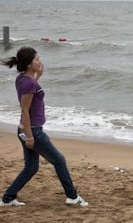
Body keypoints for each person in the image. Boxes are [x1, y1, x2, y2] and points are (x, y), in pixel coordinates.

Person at [0, 47, 88, 207]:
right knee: (59, 161)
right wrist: (30, 137)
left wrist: (38, 76)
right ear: (28, 64)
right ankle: (72, 196)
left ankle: (7, 198)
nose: (39, 61)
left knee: (31, 167)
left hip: (24, 129)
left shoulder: (22, 79)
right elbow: (25, 110)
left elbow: (30, 88)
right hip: (32, 130)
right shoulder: (29, 83)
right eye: (36, 59)